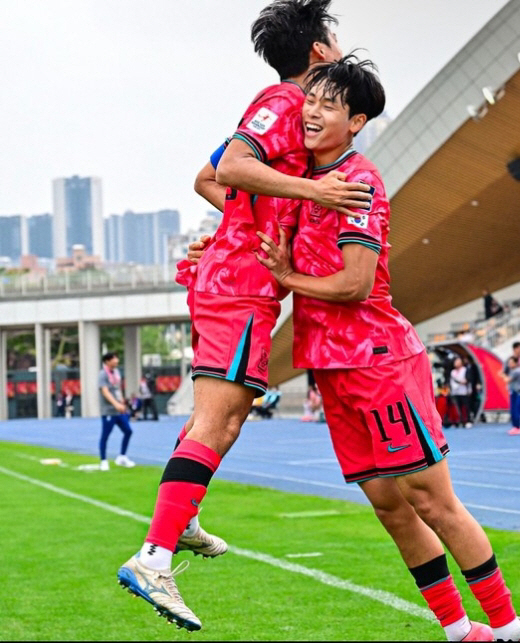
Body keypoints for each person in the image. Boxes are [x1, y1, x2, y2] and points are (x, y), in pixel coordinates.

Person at [253, 56, 520, 641]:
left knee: (433, 502)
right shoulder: (305, 183)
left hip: (377, 360)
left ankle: (509, 626)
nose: (311, 111)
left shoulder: (357, 183)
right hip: (330, 368)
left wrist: (289, 277)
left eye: (328, 105)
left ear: (356, 121)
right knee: (388, 506)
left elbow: (355, 285)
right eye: (311, 100)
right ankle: (459, 629)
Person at [117, 1, 368, 632]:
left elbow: (209, 178)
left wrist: (243, 222)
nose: (339, 47)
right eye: (333, 38)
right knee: (220, 420)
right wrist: (314, 192)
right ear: (318, 50)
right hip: (239, 286)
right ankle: (154, 556)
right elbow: (227, 169)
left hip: (238, 279)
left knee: (222, 422)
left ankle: (182, 518)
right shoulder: (286, 101)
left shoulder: (287, 111)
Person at [98, 352, 135, 471]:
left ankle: (122, 457)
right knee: (105, 435)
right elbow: (105, 391)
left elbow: (117, 389)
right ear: (107, 361)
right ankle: (103, 461)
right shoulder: (103, 374)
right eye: (114, 358)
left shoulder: (117, 373)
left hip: (119, 410)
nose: (116, 360)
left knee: (128, 431)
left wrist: (122, 401)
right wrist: (116, 404)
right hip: (109, 410)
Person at [448, 357, 472, 428]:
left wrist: (464, 382)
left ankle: (467, 420)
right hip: (455, 391)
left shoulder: (465, 370)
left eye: (458, 361)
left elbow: (468, 379)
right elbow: (451, 381)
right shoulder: (452, 372)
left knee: (465, 406)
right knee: (458, 406)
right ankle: (460, 421)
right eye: (455, 362)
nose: (456, 363)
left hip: (464, 391)